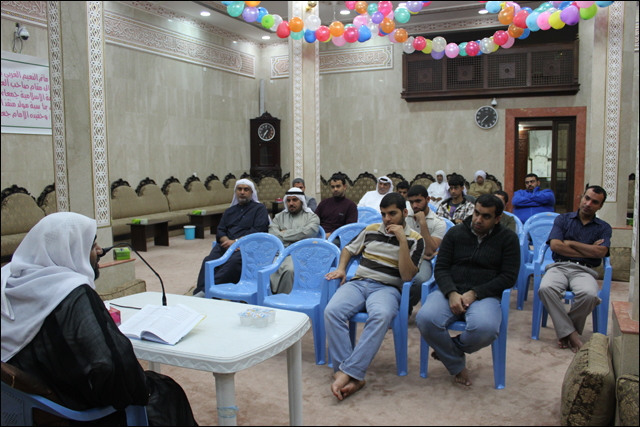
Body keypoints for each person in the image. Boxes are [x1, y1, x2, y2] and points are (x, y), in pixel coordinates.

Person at [1, 213, 197, 425]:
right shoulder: (72, 294)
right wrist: (143, 389)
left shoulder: (9, 280)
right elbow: (111, 369)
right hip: (75, 412)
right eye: (92, 245)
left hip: (30, 406)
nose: (100, 250)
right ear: (70, 250)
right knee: (168, 391)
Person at [324, 193, 424, 400]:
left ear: (405, 213)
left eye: (392, 214)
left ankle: (347, 372)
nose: (387, 219)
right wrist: (341, 268)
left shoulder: (416, 240)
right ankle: (349, 373)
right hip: (359, 283)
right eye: (384, 214)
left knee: (381, 315)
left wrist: (402, 241)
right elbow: (348, 249)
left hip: (387, 288)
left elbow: (407, 276)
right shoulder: (370, 230)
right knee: (332, 311)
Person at [416, 195, 520, 387]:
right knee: (425, 318)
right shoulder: (455, 233)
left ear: (497, 218)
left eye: (486, 216)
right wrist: (451, 292)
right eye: (476, 213)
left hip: (485, 295)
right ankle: (456, 364)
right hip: (450, 291)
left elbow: (508, 277)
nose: (478, 220)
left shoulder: (508, 239)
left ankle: (449, 350)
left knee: (486, 330)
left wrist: (475, 293)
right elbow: (441, 268)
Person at [538, 186, 611, 353]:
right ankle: (571, 333)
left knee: (590, 294)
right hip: (559, 266)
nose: (588, 204)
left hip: (584, 270)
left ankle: (565, 331)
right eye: (587, 198)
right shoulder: (563, 219)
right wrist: (589, 249)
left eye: (595, 202)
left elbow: (601, 252)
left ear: (600, 206)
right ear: (581, 197)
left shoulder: (604, 227)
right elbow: (556, 246)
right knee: (546, 288)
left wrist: (570, 243)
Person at [193, 179, 269, 297]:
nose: (242, 192)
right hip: (226, 245)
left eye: (246, 189)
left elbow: (258, 230)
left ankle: (207, 292)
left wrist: (236, 242)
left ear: (252, 192)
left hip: (246, 247)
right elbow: (220, 230)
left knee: (232, 263)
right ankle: (198, 292)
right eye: (239, 189)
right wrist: (227, 241)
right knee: (208, 260)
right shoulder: (229, 211)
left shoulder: (259, 209)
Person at [269, 187, 320, 294]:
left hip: (300, 254)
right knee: (267, 267)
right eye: (288, 200)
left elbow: (308, 233)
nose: (291, 203)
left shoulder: (312, 217)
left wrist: (284, 233)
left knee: (290, 270)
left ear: (302, 201)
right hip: (280, 252)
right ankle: (268, 298)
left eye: (294, 200)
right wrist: (296, 235)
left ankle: (283, 299)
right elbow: (272, 233)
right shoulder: (279, 217)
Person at [405, 185, 447, 316]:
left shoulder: (438, 222)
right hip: (403, 254)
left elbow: (428, 251)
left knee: (421, 280)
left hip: (423, 260)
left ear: (428, 199)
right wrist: (423, 254)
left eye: (418, 201)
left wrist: (423, 223)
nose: (415, 205)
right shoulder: (405, 215)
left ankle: (404, 307)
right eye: (411, 202)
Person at [315, 173, 358, 238]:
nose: (335, 189)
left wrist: (330, 235)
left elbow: (349, 229)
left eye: (338, 186)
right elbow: (314, 221)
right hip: (319, 235)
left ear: (344, 187)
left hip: (339, 238)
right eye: (333, 187)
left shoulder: (351, 206)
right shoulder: (324, 203)